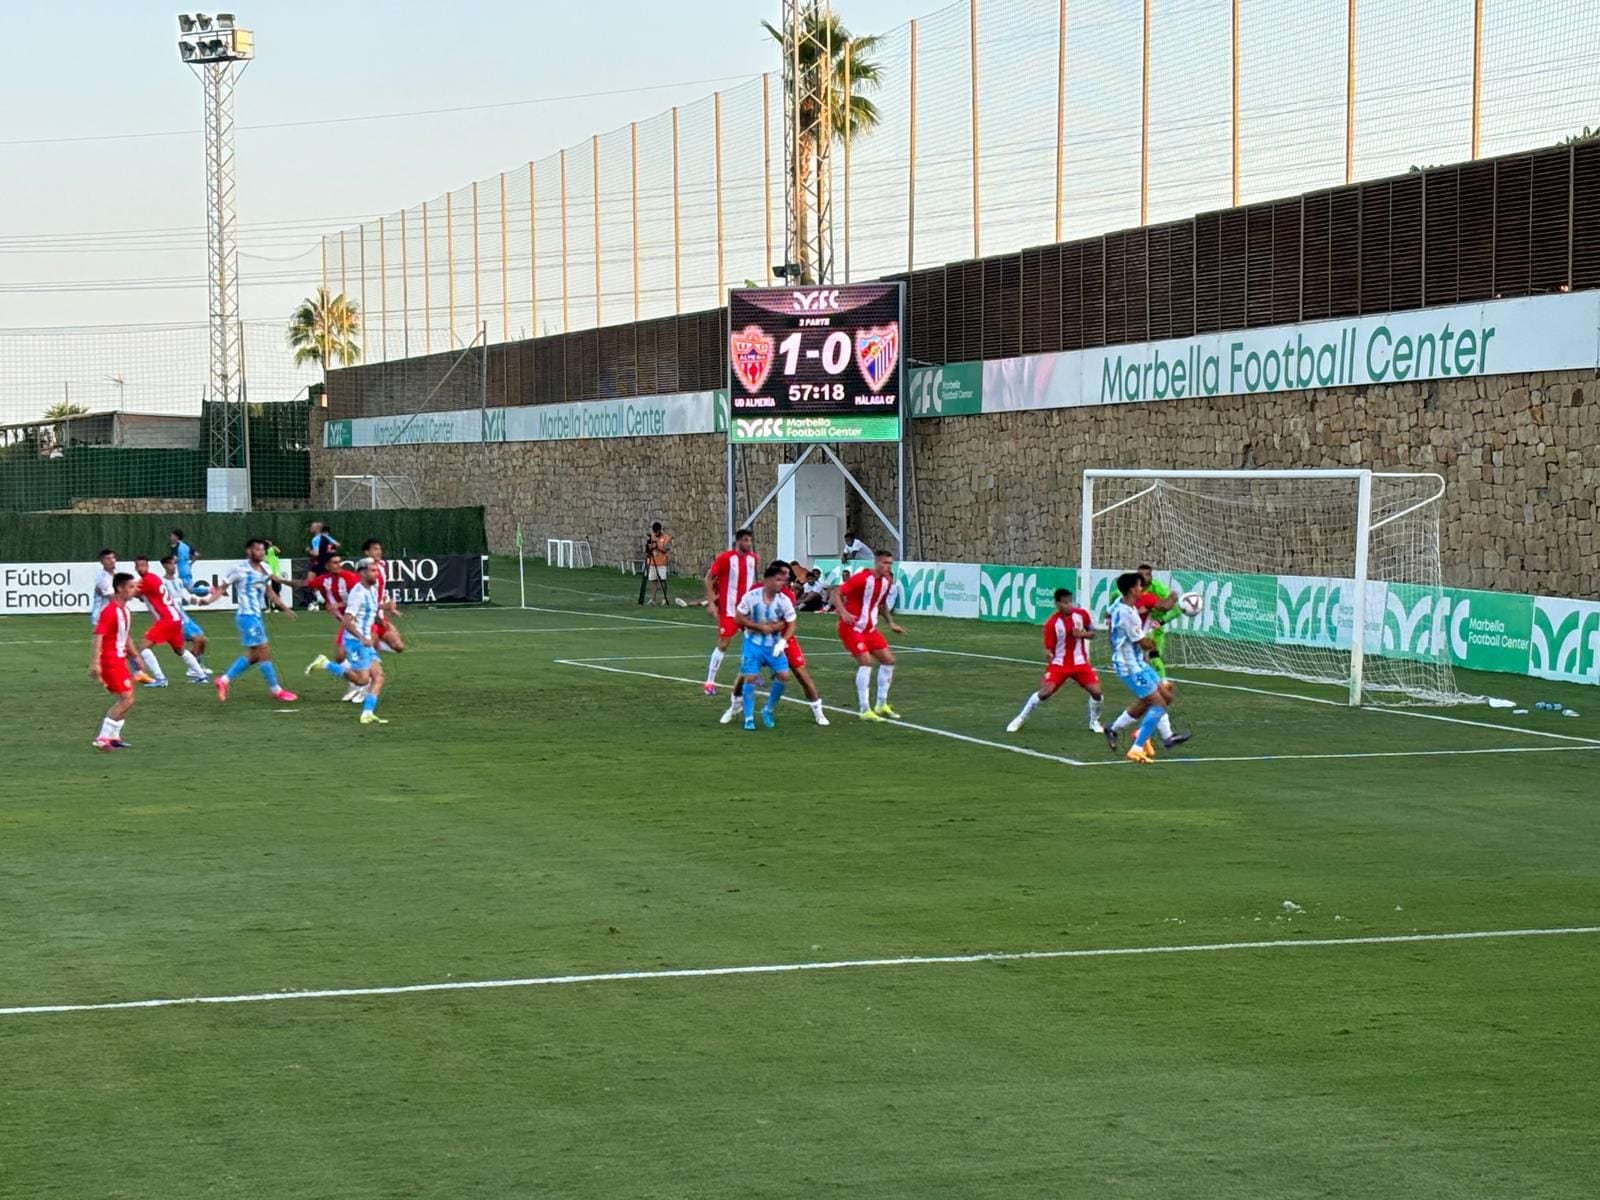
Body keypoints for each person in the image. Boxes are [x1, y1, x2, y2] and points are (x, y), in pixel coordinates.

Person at [720, 561, 829, 727]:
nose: (785, 580)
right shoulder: (754, 591)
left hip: (782, 639)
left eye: (786, 577)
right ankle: (735, 706)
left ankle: (818, 712)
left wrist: (780, 637)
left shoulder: (787, 596)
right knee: (745, 675)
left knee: (800, 673)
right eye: (782, 576)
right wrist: (754, 629)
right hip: (757, 639)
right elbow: (742, 616)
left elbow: (787, 621)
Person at [199, 536, 298, 703]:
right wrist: (207, 601)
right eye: (258, 549)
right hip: (247, 616)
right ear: (249, 551)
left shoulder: (265, 568)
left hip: (256, 616)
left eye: (262, 550)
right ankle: (276, 690)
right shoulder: (239, 569)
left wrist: (284, 607)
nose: (261, 552)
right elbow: (221, 589)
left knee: (253, 656)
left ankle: (223, 681)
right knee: (264, 651)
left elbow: (269, 591)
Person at [1007, 587, 1105, 734]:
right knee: (1045, 693)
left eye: (1070, 601)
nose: (1069, 605)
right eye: (1065, 603)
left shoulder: (1081, 615)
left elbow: (1093, 634)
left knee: (1097, 693)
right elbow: (1048, 648)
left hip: (1080, 663)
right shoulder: (1052, 624)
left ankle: (1094, 722)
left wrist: (1082, 634)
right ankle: (1020, 718)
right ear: (1058, 604)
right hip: (1060, 664)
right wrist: (1048, 654)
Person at [306, 557, 389, 725]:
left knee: (379, 677)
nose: (377, 574)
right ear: (362, 572)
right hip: (356, 643)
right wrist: (362, 638)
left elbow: (371, 613)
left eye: (377, 570)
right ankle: (326, 664)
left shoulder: (372, 590)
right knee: (363, 680)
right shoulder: (357, 594)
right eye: (373, 571)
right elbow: (346, 621)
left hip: (365, 642)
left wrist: (383, 619)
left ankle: (367, 713)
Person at [1107, 572, 1175, 764]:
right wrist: (1151, 643)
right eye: (1138, 586)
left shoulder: (1120, 605)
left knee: (1166, 697)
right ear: (1131, 589)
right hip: (1129, 666)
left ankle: (1116, 729)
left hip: (1138, 663)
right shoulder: (1128, 614)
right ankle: (1136, 747)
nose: (1141, 589)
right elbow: (1144, 643)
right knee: (1158, 704)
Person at [833, 549, 906, 721]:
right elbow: (836, 593)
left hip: (870, 630)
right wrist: (843, 612)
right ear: (876, 562)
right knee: (866, 663)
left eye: (889, 564)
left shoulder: (887, 582)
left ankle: (881, 705)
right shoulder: (862, 578)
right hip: (852, 628)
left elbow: (881, 605)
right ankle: (865, 709)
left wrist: (891, 623)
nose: (887, 567)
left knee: (889, 660)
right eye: (884, 563)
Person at [732, 563, 797, 731]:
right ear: (767, 580)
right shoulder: (751, 597)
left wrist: (783, 641)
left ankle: (768, 710)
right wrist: (758, 627)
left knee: (784, 675)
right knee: (751, 678)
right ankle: (748, 718)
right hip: (753, 644)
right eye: (778, 580)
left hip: (773, 645)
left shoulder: (784, 601)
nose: (782, 583)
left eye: (783, 580)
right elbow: (738, 617)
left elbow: (791, 623)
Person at [130, 554, 209, 686]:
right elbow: (142, 595)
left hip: (166, 619)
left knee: (142, 647)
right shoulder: (153, 578)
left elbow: (132, 592)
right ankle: (201, 675)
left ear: (148, 566)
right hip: (175, 618)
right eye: (138, 566)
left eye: (143, 565)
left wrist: (119, 585)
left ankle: (160, 679)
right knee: (180, 650)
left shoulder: (147, 580)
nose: (140, 568)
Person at [702, 528, 759, 696]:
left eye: (750, 540)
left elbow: (752, 582)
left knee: (754, 643)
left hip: (747, 610)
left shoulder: (753, 559)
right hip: (729, 610)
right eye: (746, 540)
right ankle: (709, 681)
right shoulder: (726, 558)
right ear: (739, 541)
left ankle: (750, 677)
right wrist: (712, 602)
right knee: (724, 643)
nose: (749, 544)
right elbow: (709, 577)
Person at [90, 571, 138, 751]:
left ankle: (115, 736)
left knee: (128, 697)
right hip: (110, 661)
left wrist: (135, 656)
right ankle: (102, 738)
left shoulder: (125, 610)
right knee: (126, 699)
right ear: (120, 588)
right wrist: (95, 662)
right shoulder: (109, 611)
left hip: (120, 660)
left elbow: (125, 636)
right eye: (131, 587)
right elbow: (98, 636)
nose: (134, 590)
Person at [309, 556, 366, 701]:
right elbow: (306, 583)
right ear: (327, 566)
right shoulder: (325, 579)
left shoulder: (349, 578)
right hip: (346, 623)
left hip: (357, 621)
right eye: (334, 562)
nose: (338, 565)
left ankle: (363, 686)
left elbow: (359, 596)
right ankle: (356, 684)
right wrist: (278, 580)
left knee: (359, 655)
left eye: (339, 562)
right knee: (341, 656)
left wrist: (339, 605)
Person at [91, 548, 152, 684]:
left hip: (115, 614)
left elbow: (125, 591)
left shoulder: (116, 576)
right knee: (111, 644)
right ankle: (104, 670)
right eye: (108, 558)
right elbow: (114, 597)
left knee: (122, 643)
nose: (112, 560)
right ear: (102, 561)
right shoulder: (102, 578)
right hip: (102, 615)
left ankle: (137, 672)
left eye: (113, 557)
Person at [160, 553, 209, 669]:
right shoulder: (162, 583)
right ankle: (194, 669)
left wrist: (200, 601)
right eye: (171, 563)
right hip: (175, 619)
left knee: (203, 639)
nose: (174, 566)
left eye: (174, 563)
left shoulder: (178, 581)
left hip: (185, 617)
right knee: (197, 639)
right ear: (165, 566)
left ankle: (197, 666)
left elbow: (187, 597)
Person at [360, 538, 406, 653]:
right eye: (375, 549)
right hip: (368, 618)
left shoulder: (381, 565)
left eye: (380, 549)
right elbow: (364, 599)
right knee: (368, 652)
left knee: (399, 647)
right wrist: (377, 615)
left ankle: (377, 645)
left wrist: (390, 606)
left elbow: (381, 591)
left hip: (379, 614)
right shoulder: (364, 572)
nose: (379, 552)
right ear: (367, 552)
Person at [639, 521, 672, 606]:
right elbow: (647, 549)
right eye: (654, 532)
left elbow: (667, 549)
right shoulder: (652, 537)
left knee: (662, 580)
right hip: (652, 562)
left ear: (660, 530)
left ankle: (664, 598)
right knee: (653, 581)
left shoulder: (666, 538)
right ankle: (653, 599)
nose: (655, 534)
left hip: (662, 562)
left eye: (657, 532)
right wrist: (649, 546)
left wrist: (657, 546)